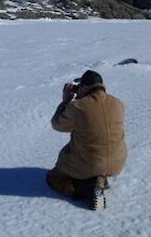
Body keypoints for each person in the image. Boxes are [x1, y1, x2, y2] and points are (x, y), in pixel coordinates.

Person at [46, 70, 127, 211]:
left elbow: (57, 124)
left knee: (54, 178)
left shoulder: (77, 106)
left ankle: (87, 189)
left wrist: (66, 101)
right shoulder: (118, 103)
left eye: (79, 87)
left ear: (84, 87)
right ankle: (100, 179)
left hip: (90, 164)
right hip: (117, 163)